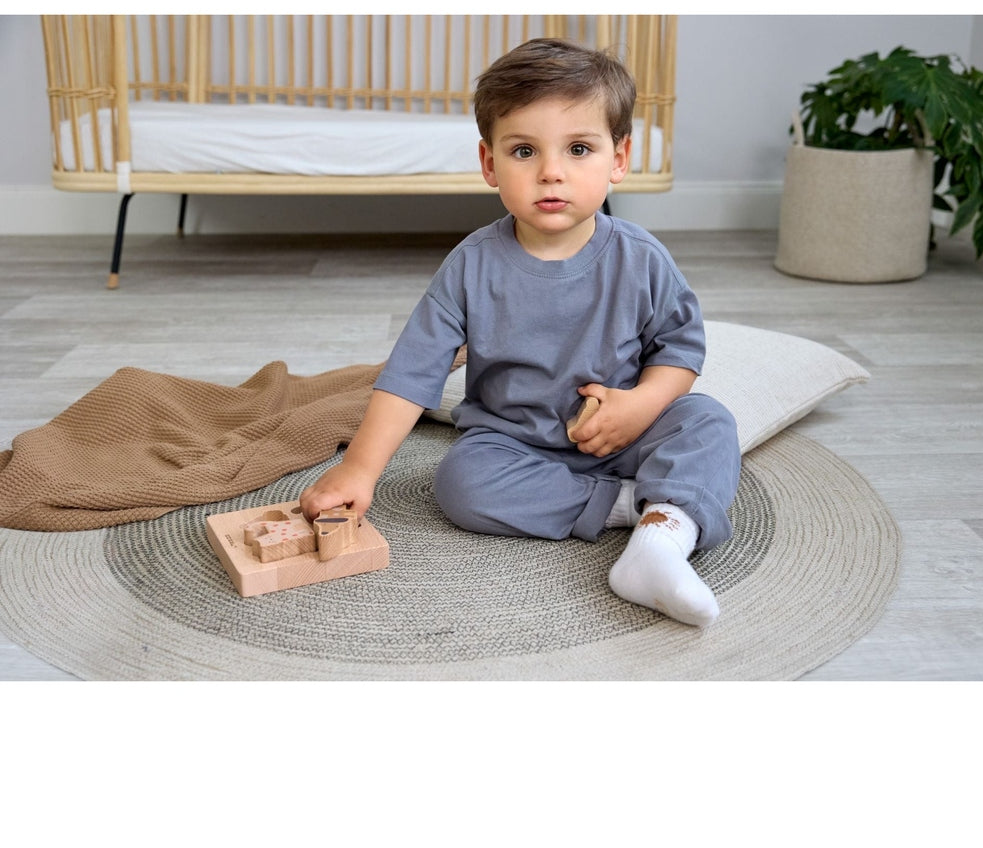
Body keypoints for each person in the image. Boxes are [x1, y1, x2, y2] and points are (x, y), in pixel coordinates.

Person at [300, 37, 741, 627]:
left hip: (624, 434)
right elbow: (412, 372)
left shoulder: (641, 258)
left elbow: (680, 349)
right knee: (461, 484)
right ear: (489, 164)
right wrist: (359, 467)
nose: (551, 172)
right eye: (524, 151)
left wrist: (641, 406)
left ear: (619, 158)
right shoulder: (472, 265)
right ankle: (640, 510)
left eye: (578, 149)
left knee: (708, 422)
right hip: (513, 443)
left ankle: (661, 545)